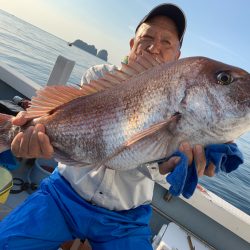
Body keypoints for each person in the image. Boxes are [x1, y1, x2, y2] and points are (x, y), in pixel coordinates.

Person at [0, 3, 216, 250]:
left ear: (177, 57)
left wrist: (170, 164)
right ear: (133, 45)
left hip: (125, 217)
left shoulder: (187, 107)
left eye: (166, 42)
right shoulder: (99, 76)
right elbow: (75, 126)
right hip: (64, 193)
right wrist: (29, 133)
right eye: (146, 37)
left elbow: (157, 163)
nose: (154, 47)